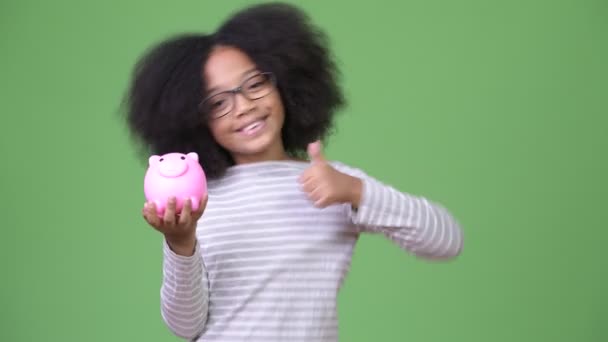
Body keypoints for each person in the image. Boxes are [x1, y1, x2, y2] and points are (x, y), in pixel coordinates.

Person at [124, 3, 463, 341]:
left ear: (285, 82)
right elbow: (186, 326)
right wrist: (180, 242)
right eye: (218, 103)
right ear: (196, 120)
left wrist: (357, 191)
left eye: (255, 84)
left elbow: (446, 240)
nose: (244, 107)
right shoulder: (199, 202)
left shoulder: (334, 183)